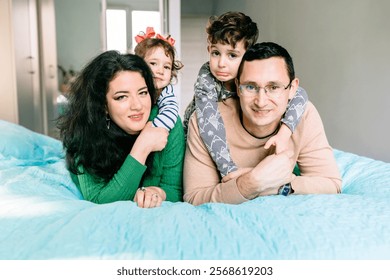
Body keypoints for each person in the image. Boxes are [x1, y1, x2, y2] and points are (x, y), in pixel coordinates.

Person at [183, 42, 342, 205]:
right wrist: (251, 182)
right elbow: (194, 197)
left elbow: (331, 184)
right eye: (250, 87)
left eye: (273, 87)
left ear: (292, 88)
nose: (261, 101)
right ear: (238, 87)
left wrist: (278, 185)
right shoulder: (205, 121)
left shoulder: (304, 114)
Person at [183, 12, 308, 177]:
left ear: (248, 55)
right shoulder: (207, 78)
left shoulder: (255, 74)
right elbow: (209, 123)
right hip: (200, 138)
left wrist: (284, 133)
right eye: (215, 53)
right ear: (209, 50)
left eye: (232, 55)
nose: (221, 63)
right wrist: (229, 172)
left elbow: (300, 95)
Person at [57, 51, 185, 208]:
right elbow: (98, 199)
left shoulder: (167, 122)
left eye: (143, 93)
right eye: (122, 97)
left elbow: (175, 190)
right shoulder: (86, 130)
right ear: (103, 105)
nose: (137, 106)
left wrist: (158, 192)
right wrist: (142, 148)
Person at [134, 27, 183, 132]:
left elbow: (169, 114)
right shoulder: (132, 85)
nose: (160, 71)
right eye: (153, 63)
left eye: (166, 67)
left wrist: (149, 132)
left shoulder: (166, 93)